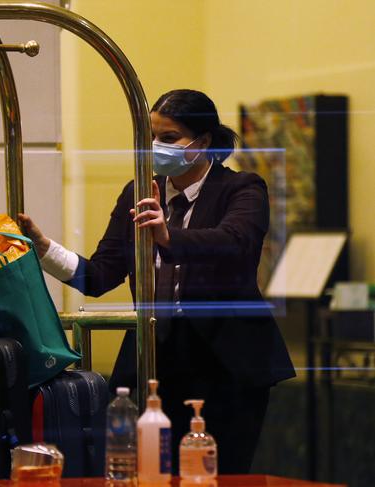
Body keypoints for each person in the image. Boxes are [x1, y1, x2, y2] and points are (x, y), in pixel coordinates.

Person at [18, 89, 295, 475]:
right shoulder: (138, 191)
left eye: (168, 138)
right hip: (153, 359)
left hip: (225, 364)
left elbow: (234, 244)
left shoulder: (242, 188)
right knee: (144, 473)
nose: (154, 147)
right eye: (150, 136)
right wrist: (43, 248)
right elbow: (99, 275)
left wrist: (168, 236)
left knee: (218, 474)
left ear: (203, 143)